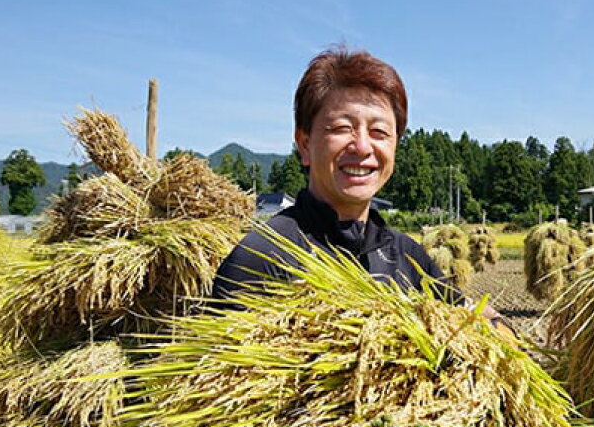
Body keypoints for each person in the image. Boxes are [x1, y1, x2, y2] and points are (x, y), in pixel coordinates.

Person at [212, 46, 501, 322]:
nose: (362, 147)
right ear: (304, 144)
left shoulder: (406, 255)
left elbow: (467, 318)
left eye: (379, 131)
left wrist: (496, 329)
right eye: (341, 128)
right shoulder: (263, 256)